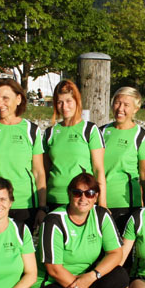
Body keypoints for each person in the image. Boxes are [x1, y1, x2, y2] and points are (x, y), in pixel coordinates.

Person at [26, 173, 130, 288]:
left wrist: (92, 276)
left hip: (82, 279)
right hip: (48, 284)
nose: (83, 198)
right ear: (69, 194)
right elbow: (54, 269)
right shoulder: (53, 220)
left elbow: (116, 253)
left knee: (120, 276)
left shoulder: (101, 215)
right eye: (77, 193)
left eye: (89, 193)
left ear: (96, 197)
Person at [0, 78, 46, 231]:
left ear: (18, 99)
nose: (0, 103)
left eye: (5, 98)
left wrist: (42, 207)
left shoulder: (31, 130)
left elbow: (39, 172)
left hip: (25, 204)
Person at [43, 80, 107, 209]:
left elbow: (98, 170)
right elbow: (44, 171)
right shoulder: (50, 132)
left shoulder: (90, 130)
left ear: (77, 101)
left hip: (82, 199)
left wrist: (102, 203)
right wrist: (42, 205)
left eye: (68, 101)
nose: (64, 106)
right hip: (54, 199)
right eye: (60, 102)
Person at [101, 86, 145, 238]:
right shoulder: (101, 132)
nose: (120, 109)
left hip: (126, 205)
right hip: (98, 203)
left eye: (126, 105)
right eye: (117, 103)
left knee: (123, 251)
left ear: (136, 109)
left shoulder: (140, 135)